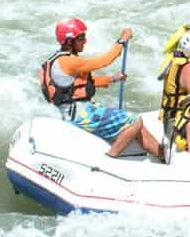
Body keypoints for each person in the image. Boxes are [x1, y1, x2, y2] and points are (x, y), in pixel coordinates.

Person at [39, 18, 165, 161]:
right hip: (81, 114)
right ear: (69, 42)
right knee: (135, 122)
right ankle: (110, 158)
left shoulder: (60, 59)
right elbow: (103, 61)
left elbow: (81, 85)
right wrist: (121, 41)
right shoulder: (69, 61)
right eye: (81, 38)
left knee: (138, 129)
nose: (85, 41)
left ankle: (164, 157)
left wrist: (112, 79)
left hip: (75, 111)